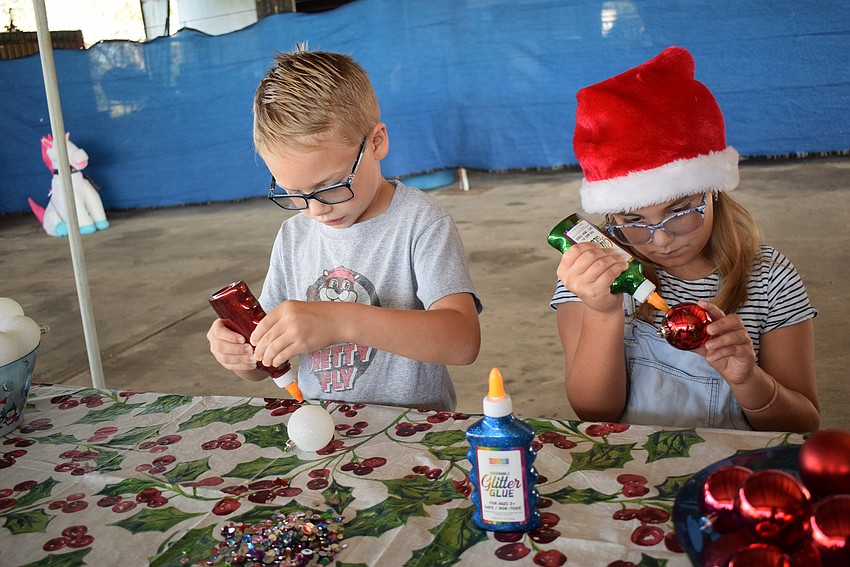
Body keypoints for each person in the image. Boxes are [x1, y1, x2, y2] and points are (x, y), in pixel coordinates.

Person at [551, 46, 819, 432]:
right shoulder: (590, 274)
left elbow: (804, 424)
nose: (661, 241)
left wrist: (749, 381)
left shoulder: (769, 277)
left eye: (680, 213)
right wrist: (602, 312)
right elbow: (594, 414)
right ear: (609, 218)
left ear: (714, 192)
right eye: (633, 220)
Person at [207, 48, 481, 411]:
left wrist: (341, 320)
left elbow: (462, 342)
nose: (317, 208)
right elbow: (267, 364)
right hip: (325, 427)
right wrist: (240, 355)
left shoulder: (420, 222)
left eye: (332, 185)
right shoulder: (294, 237)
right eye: (294, 193)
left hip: (415, 431)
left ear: (377, 142)